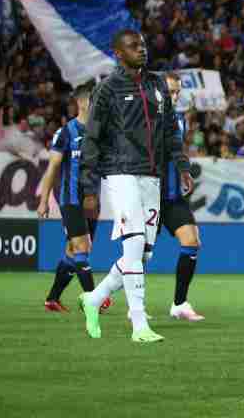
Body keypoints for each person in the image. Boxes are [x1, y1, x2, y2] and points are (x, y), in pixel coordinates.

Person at [77, 30, 185, 344]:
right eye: (133, 46)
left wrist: (180, 163)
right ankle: (139, 325)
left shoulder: (157, 84)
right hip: (120, 172)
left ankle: (94, 298)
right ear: (118, 53)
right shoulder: (107, 89)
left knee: (144, 253)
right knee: (134, 245)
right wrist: (89, 187)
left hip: (151, 176)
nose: (142, 48)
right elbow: (92, 138)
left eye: (143, 43)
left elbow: (169, 129)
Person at [38, 83, 99, 312]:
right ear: (82, 102)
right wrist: (44, 200)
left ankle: (52, 299)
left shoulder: (100, 133)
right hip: (69, 198)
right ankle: (94, 299)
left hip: (92, 199)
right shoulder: (65, 133)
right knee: (81, 246)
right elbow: (52, 168)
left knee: (76, 251)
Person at [161, 73, 205, 322]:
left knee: (191, 241)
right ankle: (129, 303)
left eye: (177, 92)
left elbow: (179, 151)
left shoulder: (179, 120)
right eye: (170, 91)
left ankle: (179, 303)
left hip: (173, 195)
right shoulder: (145, 118)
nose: (175, 96)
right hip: (149, 194)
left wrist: (184, 171)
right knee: (140, 253)